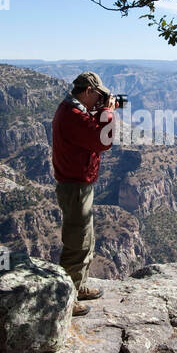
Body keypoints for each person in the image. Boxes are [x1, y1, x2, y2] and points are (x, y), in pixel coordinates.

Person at [51, 71, 117, 316]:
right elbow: (103, 141)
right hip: (75, 187)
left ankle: (78, 286)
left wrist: (101, 110)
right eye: (97, 95)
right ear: (88, 91)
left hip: (79, 185)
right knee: (77, 243)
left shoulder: (73, 110)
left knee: (86, 240)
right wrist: (107, 112)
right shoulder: (72, 115)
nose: (100, 99)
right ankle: (67, 299)